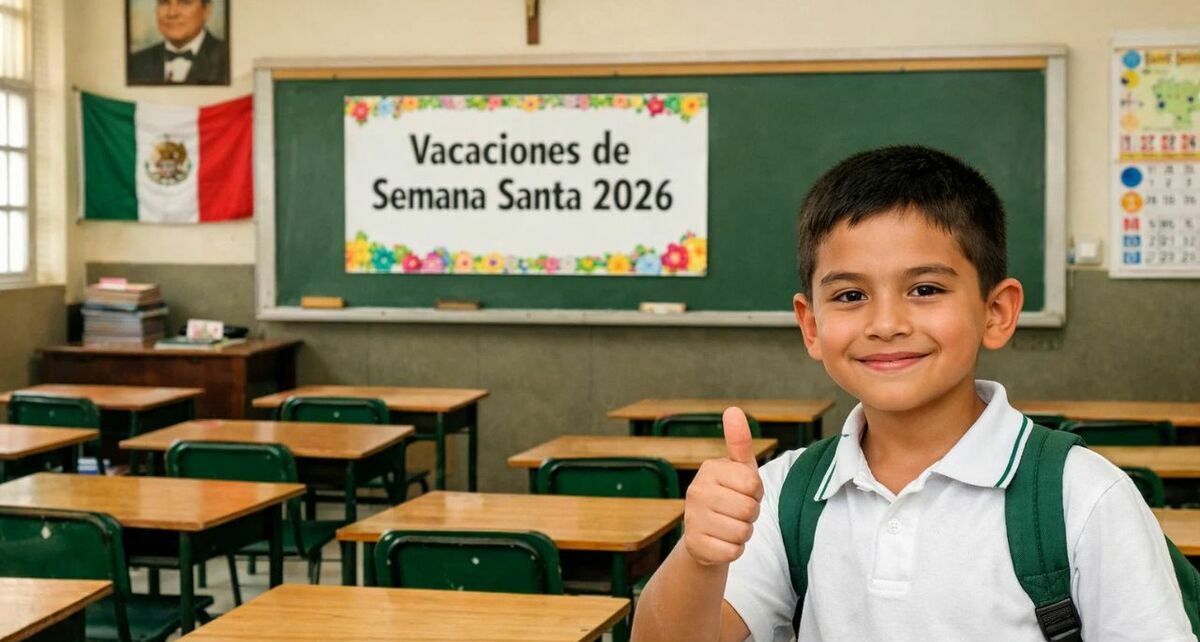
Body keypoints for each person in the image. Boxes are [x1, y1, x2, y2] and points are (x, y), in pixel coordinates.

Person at [631, 146, 1194, 641]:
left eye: (925, 289)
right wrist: (701, 557)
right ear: (811, 326)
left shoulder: (1082, 497)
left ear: (996, 312)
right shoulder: (782, 495)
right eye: (850, 295)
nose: (886, 322)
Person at [128, 0, 228, 85]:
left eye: (184, 2)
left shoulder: (228, 58)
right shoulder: (135, 62)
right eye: (164, 2)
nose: (172, 13)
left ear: (206, 10)